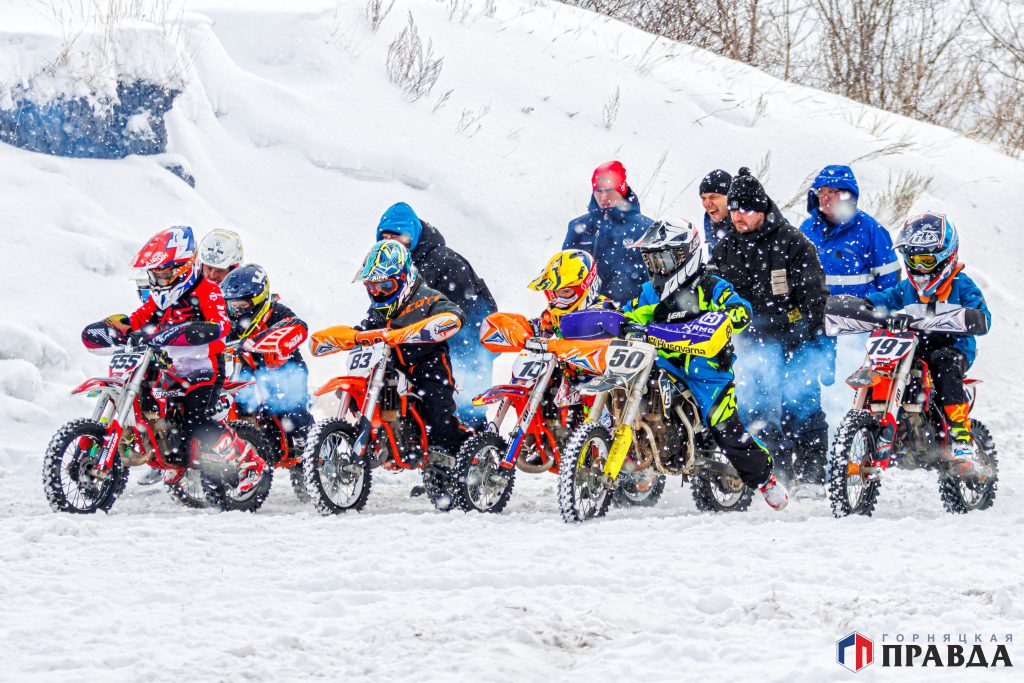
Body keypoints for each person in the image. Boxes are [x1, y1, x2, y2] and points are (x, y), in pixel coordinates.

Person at [623, 219, 788, 510]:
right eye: (652, 261)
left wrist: (729, 315)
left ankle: (765, 480)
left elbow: (741, 308)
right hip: (663, 363)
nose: (659, 268)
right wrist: (617, 321)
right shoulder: (650, 292)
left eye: (664, 260)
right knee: (624, 392)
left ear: (685, 255)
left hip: (706, 372)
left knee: (724, 427)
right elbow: (629, 314)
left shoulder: (710, 286)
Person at [712, 168, 830, 488]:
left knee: (800, 405)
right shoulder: (725, 248)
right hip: (748, 341)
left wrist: (816, 341)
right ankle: (775, 472)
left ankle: (811, 475)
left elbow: (815, 298)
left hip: (794, 335)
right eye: (733, 209)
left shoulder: (793, 243)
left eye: (745, 209)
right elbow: (711, 293)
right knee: (755, 408)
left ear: (761, 210)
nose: (737, 216)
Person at [114, 227, 260, 485]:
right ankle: (167, 450)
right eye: (156, 275)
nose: (160, 280)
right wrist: (117, 327)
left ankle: (248, 460)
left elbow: (221, 324)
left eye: (165, 274)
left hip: (205, 367)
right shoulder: (164, 295)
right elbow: (138, 318)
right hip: (172, 366)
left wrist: (197, 330)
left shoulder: (209, 291)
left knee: (197, 421)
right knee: (154, 402)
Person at [863, 212, 990, 470]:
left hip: (954, 347)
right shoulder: (907, 289)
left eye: (927, 260)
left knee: (944, 363)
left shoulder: (962, 285)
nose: (920, 268)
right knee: (886, 364)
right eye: (914, 260)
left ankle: (961, 436)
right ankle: (880, 422)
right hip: (915, 347)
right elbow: (885, 298)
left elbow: (982, 315)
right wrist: (863, 305)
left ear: (946, 257)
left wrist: (973, 317)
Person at [376, 202, 497, 427]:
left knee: (464, 407)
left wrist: (463, 357)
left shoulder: (445, 262)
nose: (392, 243)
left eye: (397, 237)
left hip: (467, 341)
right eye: (385, 238)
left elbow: (467, 312)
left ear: (411, 236)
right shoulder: (390, 268)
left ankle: (477, 441)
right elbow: (383, 308)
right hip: (420, 342)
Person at [354, 239, 467, 453]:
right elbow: (367, 328)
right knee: (359, 389)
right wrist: (354, 336)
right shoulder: (378, 309)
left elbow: (454, 313)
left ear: (404, 278)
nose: (378, 292)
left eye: (386, 285)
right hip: (391, 366)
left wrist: (443, 321)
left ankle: (463, 449)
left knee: (437, 413)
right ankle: (380, 437)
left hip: (428, 363)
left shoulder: (426, 298)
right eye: (372, 286)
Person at [220, 264, 313, 449]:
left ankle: (310, 444)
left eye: (243, 306)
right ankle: (250, 446)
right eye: (233, 306)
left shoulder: (276, 312)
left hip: (285, 371)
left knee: (289, 407)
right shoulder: (231, 322)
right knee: (237, 404)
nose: (237, 311)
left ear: (259, 301)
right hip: (247, 371)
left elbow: (299, 327)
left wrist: (263, 340)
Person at [563, 160, 653, 305]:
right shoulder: (578, 227)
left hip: (632, 313)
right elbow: (565, 277)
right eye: (598, 191)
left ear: (622, 190)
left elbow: (655, 279)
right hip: (586, 312)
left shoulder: (646, 228)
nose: (603, 197)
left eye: (609, 190)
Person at [800, 165, 900, 296]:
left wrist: (878, 306)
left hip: (859, 308)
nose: (824, 198)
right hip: (817, 308)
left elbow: (890, 280)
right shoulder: (807, 229)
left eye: (831, 191)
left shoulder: (870, 229)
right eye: (821, 191)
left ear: (847, 195)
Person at [526, 249, 616, 337]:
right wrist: (526, 329)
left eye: (566, 291)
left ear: (586, 287)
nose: (560, 297)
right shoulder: (553, 313)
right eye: (556, 292)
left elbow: (619, 324)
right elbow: (541, 326)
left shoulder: (605, 310)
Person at [699, 169, 733, 266]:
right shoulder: (710, 223)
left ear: (730, 197)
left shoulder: (748, 225)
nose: (707, 204)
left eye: (713, 197)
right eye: (703, 198)